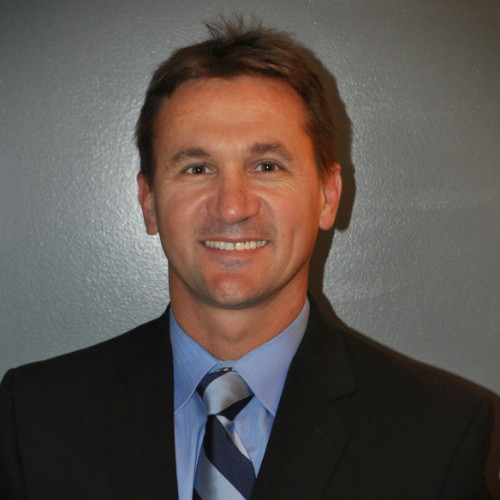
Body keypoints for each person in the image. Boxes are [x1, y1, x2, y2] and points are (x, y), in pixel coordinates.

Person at [0, 19, 493, 500]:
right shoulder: (36, 418)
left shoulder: (442, 433)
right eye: (197, 168)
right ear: (148, 202)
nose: (232, 206)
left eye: (266, 166)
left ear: (327, 195)